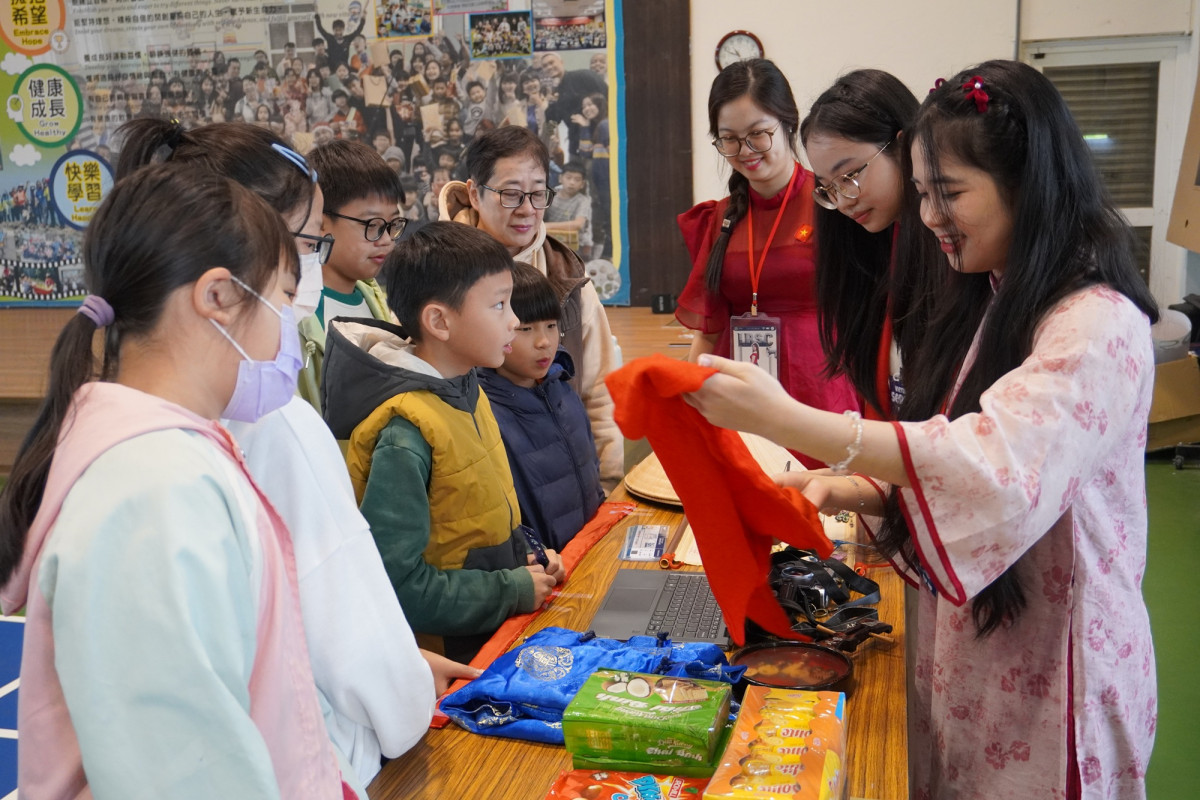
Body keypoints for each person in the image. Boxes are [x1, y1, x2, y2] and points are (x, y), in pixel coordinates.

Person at [685, 60, 1158, 799]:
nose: (930, 216)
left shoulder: (1096, 323)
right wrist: (849, 488)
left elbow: (990, 463)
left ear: (1027, 182)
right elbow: (948, 439)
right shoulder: (1000, 293)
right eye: (925, 193)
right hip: (988, 640)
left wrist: (790, 421)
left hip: (1059, 657)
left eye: (949, 193)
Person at [115, 119, 467, 791]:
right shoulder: (272, 425)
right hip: (303, 761)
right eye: (306, 245)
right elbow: (352, 639)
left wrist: (403, 664)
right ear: (227, 276)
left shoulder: (119, 415)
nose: (306, 274)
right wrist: (405, 690)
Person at [0, 162, 352, 798]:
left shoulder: (171, 458)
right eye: (282, 298)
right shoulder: (156, 492)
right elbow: (182, 770)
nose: (289, 325)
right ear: (217, 296)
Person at [321, 222, 564, 663]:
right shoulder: (404, 432)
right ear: (439, 321)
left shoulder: (467, 387)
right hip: (450, 659)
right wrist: (508, 589)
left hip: (497, 632)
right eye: (499, 305)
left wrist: (528, 559)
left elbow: (473, 524)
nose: (514, 320)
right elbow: (399, 586)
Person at [675, 59, 858, 469]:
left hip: (818, 388)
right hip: (739, 393)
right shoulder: (720, 218)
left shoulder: (832, 204)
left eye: (758, 134)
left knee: (820, 498)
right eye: (729, 139)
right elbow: (710, 330)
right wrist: (686, 400)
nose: (745, 151)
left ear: (788, 123)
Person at [439, 125, 623, 493]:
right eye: (511, 194)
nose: (527, 209)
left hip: (564, 484)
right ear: (474, 194)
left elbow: (601, 392)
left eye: (538, 194)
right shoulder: (435, 271)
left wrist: (609, 485)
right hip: (475, 486)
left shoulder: (568, 276)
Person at [800, 69, 938, 419]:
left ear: (903, 146)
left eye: (849, 176)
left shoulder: (951, 250)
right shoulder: (877, 248)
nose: (842, 201)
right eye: (828, 187)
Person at [479, 262, 604, 551]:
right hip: (545, 567)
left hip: (590, 551)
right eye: (525, 329)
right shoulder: (485, 413)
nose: (544, 342)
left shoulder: (562, 387)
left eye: (551, 325)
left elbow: (590, 471)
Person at [300, 138, 407, 415]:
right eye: (372, 225)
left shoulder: (375, 298)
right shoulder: (299, 312)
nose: (387, 240)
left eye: (393, 224)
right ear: (320, 223)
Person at [543, 160, 592, 259]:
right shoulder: (550, 195)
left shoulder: (583, 201)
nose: (572, 182)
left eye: (577, 180)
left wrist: (545, 226)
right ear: (560, 178)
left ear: (582, 184)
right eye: (568, 178)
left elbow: (577, 224)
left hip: (572, 246)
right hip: (548, 241)